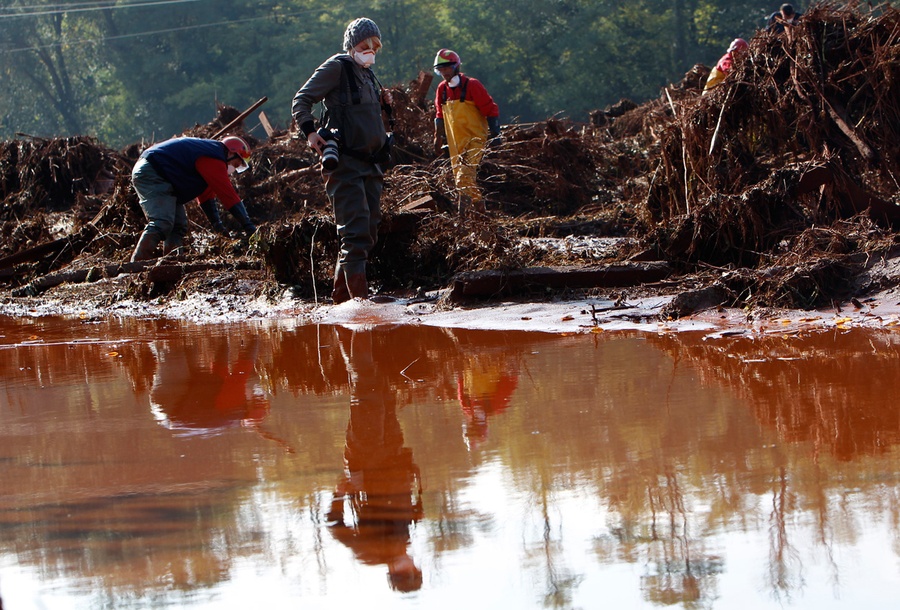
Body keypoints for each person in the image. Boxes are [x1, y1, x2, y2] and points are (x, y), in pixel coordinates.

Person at [291, 17, 393, 303]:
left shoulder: (368, 75)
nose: (370, 50)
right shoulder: (337, 66)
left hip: (371, 163)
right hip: (345, 164)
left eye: (375, 45)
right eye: (364, 45)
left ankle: (340, 300)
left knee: (367, 231)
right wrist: (311, 133)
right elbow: (302, 99)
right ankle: (361, 308)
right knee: (356, 232)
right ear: (351, 46)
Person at [130, 135, 257, 262]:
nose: (233, 169)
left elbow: (206, 197)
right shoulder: (214, 157)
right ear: (230, 152)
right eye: (235, 164)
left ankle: (172, 262)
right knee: (162, 222)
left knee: (178, 226)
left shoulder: (210, 155)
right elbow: (229, 195)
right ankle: (135, 265)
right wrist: (248, 226)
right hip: (153, 171)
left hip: (163, 176)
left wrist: (217, 225)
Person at [432, 48, 500, 215]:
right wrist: (437, 138)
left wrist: (496, 136)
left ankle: (471, 215)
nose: (444, 73)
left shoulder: (473, 85)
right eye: (441, 70)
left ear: (456, 67)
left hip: (476, 139)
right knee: (460, 181)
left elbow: (491, 110)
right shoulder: (442, 90)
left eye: (447, 68)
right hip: (456, 143)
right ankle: (476, 216)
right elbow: (439, 115)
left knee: (463, 178)